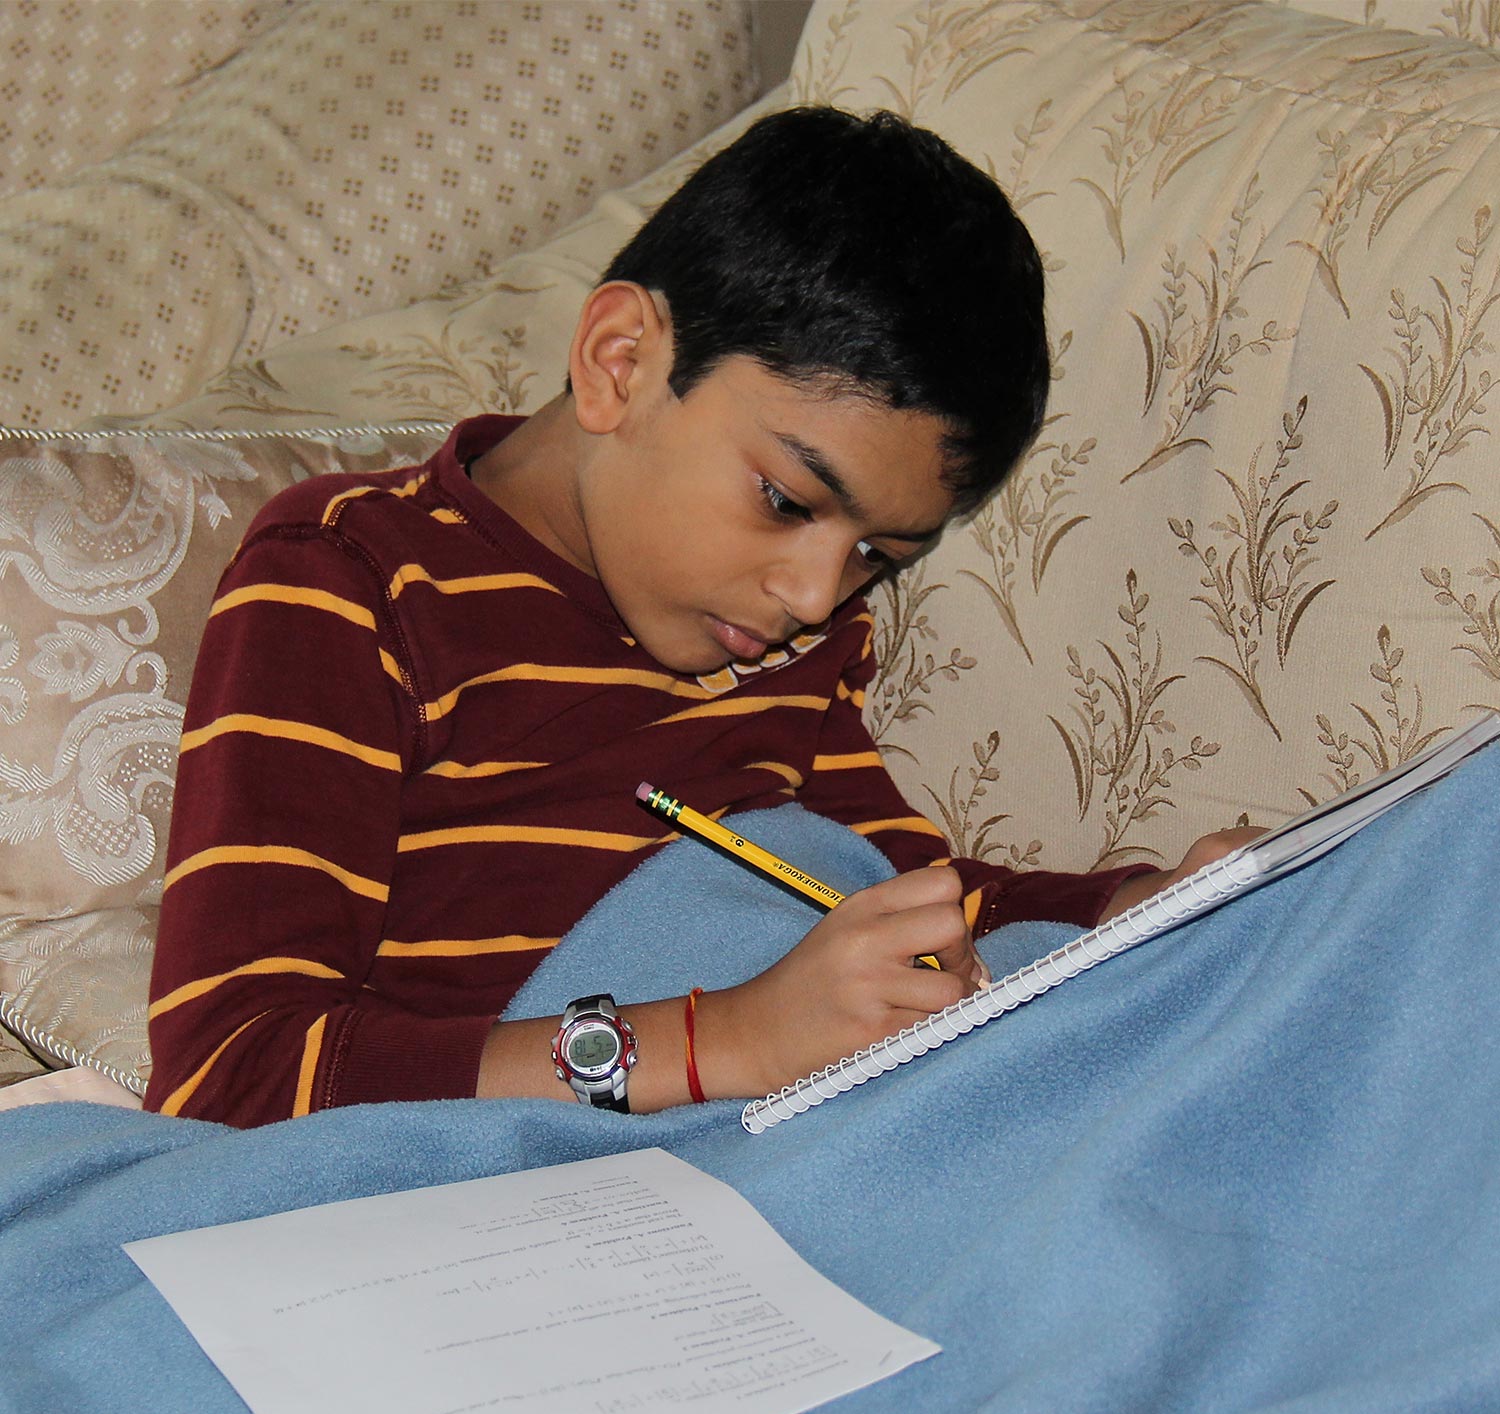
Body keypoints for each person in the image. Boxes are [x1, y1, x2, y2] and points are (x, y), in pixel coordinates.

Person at [144, 108, 1256, 1128]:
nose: (818, 597)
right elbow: (228, 1071)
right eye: (786, 500)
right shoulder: (352, 580)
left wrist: (1138, 907)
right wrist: (724, 1038)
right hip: (480, 1202)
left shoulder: (800, 641)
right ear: (619, 363)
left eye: (877, 554)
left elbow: (904, 909)